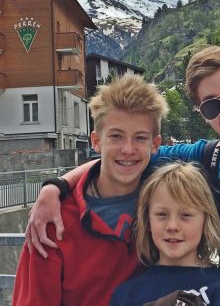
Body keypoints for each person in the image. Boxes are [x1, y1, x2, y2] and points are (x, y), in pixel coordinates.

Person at [25, 47, 220, 304]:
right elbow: (128, 156)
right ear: (202, 115)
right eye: (212, 107)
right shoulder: (208, 160)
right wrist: (56, 187)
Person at [12, 74, 168, 306]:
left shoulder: (167, 205)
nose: (128, 149)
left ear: (155, 145)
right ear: (96, 141)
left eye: (140, 138)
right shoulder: (54, 221)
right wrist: (55, 187)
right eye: (116, 136)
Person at [109, 162, 220, 306]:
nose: (172, 226)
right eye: (162, 214)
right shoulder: (127, 293)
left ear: (205, 222)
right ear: (147, 221)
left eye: (186, 215)